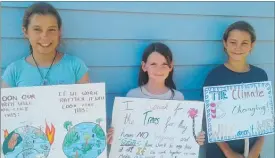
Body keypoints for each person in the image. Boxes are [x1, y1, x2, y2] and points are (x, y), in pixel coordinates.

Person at [108, 42, 205, 146]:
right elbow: (123, 135)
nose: (159, 69)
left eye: (164, 64)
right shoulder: (132, 96)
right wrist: (113, 136)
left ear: (171, 66)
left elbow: (184, 133)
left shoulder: (178, 97)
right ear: (144, 66)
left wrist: (196, 137)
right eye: (153, 64)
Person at [203, 21, 267, 158]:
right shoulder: (215, 76)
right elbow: (210, 122)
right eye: (233, 42)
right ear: (225, 43)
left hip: (251, 151)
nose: (238, 48)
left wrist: (256, 150)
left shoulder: (260, 75)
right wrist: (228, 152)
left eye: (244, 43)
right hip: (220, 152)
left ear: (252, 45)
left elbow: (263, 118)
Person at [1, 2, 90, 88]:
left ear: (59, 31)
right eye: (37, 29)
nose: (45, 36)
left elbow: (87, 102)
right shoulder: (14, 71)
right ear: (25, 32)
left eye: (51, 29)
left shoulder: (76, 67)